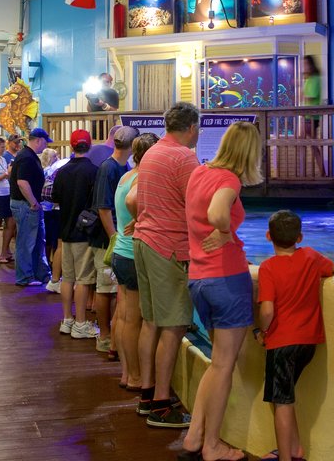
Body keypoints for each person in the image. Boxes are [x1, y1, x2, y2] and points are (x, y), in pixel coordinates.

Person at [179, 121, 262, 460]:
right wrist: (226, 232)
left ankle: (194, 437)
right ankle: (212, 445)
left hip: (198, 277)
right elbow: (216, 213)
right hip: (226, 278)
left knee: (216, 363)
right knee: (224, 366)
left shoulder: (199, 172)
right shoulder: (229, 180)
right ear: (250, 152)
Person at [133, 102, 200, 429]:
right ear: (191, 127)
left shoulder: (153, 152)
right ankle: (162, 403)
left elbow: (134, 200)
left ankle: (147, 394)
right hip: (168, 246)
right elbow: (197, 204)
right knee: (174, 326)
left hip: (143, 242)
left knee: (151, 322)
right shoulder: (183, 156)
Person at [253, 210, 334, 461]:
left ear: (268, 236)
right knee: (284, 397)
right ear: (300, 236)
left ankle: (286, 457)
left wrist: (261, 331)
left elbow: (267, 310)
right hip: (309, 342)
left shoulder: (268, 268)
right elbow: (332, 269)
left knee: (282, 401)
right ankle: (295, 449)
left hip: (282, 342)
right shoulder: (310, 256)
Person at [116, 133, 159, 389]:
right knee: (135, 319)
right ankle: (135, 376)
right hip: (133, 253)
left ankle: (126, 372)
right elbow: (133, 202)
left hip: (121, 252)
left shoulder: (126, 175)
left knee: (123, 316)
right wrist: (141, 220)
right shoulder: (143, 177)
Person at [92, 126, 140, 354]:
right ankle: (104, 335)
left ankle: (113, 340)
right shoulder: (108, 168)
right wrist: (114, 236)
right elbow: (103, 208)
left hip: (117, 236)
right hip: (108, 238)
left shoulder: (124, 167)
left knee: (114, 290)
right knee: (104, 288)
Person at [52, 130, 99, 339]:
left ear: (72, 147)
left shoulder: (62, 171)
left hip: (66, 229)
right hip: (84, 232)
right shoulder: (94, 171)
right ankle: (80, 323)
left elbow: (54, 197)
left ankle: (67, 320)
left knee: (67, 277)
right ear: (89, 146)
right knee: (83, 279)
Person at [9, 128, 54, 286]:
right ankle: (24, 277)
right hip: (26, 205)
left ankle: (40, 274)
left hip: (27, 205)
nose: (45, 146)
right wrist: (33, 202)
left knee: (35, 241)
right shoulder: (27, 157)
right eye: (45, 142)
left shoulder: (27, 155)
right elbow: (22, 182)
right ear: (38, 140)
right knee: (26, 242)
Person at [40, 148, 65, 293]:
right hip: (52, 208)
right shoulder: (54, 171)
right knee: (56, 241)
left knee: (47, 240)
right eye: (56, 155)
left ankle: (48, 264)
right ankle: (55, 269)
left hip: (43, 208)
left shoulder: (44, 170)